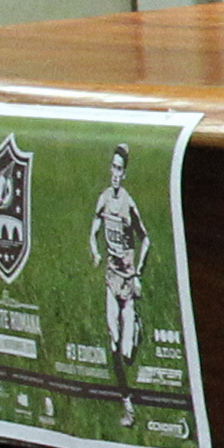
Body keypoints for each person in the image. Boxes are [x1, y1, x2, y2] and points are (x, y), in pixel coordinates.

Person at [86, 146, 149, 371]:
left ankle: (136, 330)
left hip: (128, 279)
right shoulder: (103, 199)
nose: (115, 173)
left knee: (127, 354)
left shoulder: (129, 204)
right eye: (113, 167)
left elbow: (145, 239)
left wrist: (138, 270)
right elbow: (93, 231)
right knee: (113, 336)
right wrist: (95, 252)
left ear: (124, 174)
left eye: (119, 169)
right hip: (112, 276)